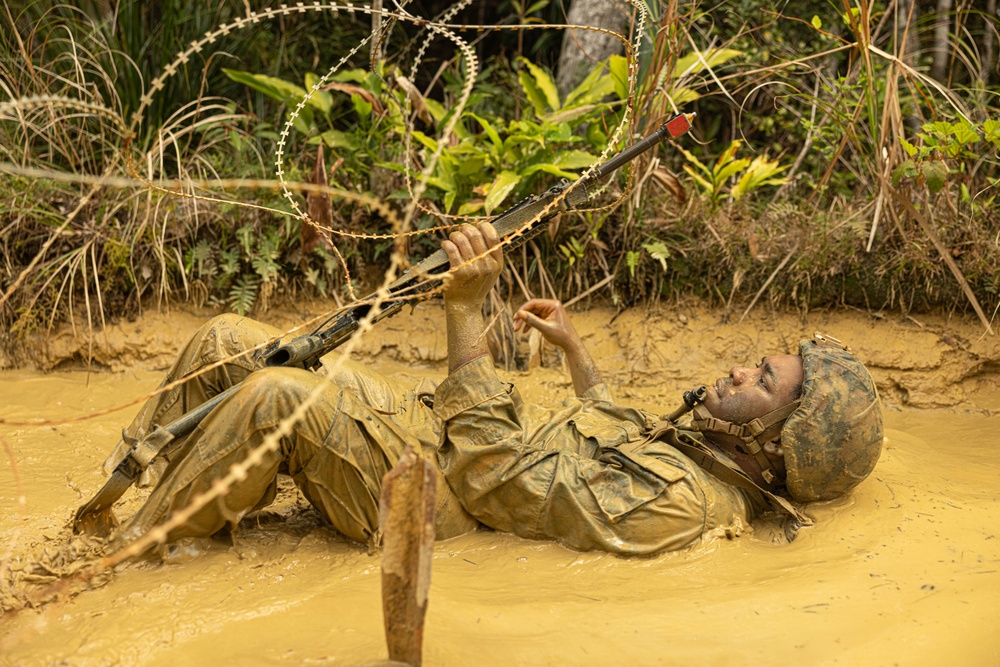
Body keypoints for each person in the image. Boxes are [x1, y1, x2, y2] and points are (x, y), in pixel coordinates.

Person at [100, 223, 883, 557]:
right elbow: (609, 424)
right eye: (758, 361)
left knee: (277, 394)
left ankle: (129, 559)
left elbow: (496, 480)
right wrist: (576, 346)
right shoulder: (700, 443)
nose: (743, 367)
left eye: (765, 380)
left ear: (780, 443)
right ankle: (107, 509)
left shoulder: (686, 507)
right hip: (446, 433)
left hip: (446, 494)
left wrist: (466, 312)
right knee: (227, 339)